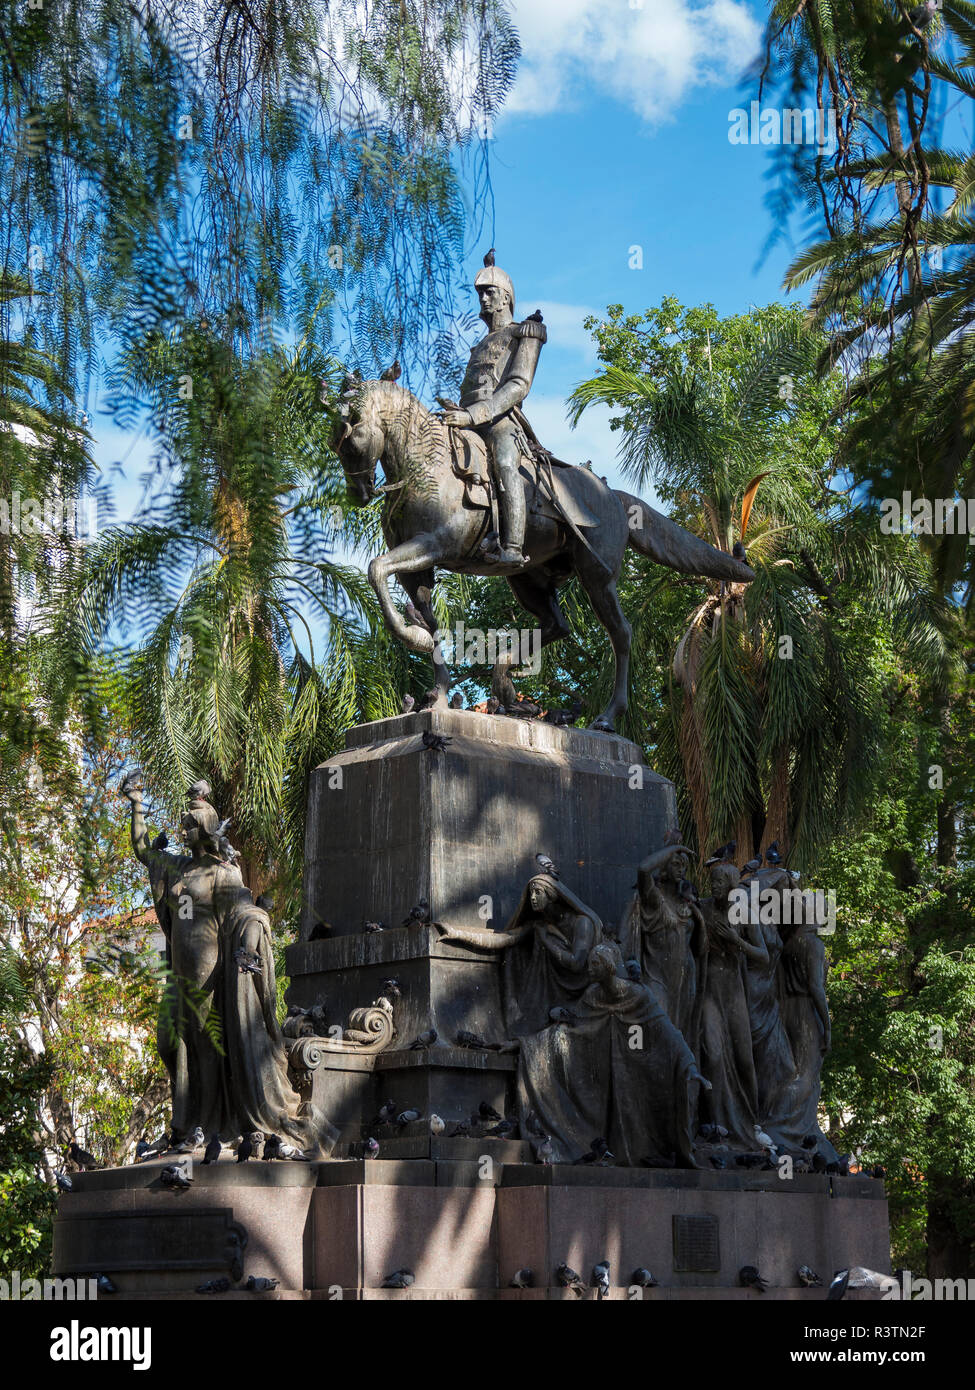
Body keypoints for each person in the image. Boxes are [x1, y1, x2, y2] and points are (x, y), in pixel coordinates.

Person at [120, 771, 334, 1153]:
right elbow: (142, 849)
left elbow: (248, 914)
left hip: (209, 979)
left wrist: (253, 937)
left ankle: (198, 1127)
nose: (184, 830)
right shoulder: (175, 868)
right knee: (169, 1044)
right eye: (183, 823)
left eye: (190, 824)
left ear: (206, 828)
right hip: (179, 979)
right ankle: (191, 1125)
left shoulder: (224, 873)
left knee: (204, 1051)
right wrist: (136, 803)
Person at [516, 941, 709, 1166]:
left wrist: (690, 1067)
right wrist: (529, 1044)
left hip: (635, 1076)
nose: (589, 969)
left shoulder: (639, 995)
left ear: (608, 967)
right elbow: (572, 1029)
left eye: (595, 964)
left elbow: (670, 1034)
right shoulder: (592, 996)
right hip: (602, 1079)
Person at [438, 251, 547, 566]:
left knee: (503, 463)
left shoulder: (525, 332)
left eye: (490, 292)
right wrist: (458, 410)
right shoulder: (479, 345)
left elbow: (517, 386)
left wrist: (472, 414)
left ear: (506, 298)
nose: (483, 299)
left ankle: (512, 547)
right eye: (480, 294)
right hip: (467, 418)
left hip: (502, 420)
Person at [437, 873, 602, 1037]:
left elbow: (577, 963)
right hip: (554, 988)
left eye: (538, 892)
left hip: (581, 987)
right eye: (531, 893)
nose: (533, 898)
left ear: (551, 895)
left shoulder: (582, 922)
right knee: (514, 950)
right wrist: (456, 933)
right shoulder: (539, 925)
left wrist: (546, 940)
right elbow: (504, 939)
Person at [619, 841, 706, 1051]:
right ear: (664, 867)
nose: (682, 869)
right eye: (676, 864)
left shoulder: (686, 904)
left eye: (684, 865)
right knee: (658, 1031)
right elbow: (643, 869)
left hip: (685, 980)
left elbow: (700, 947)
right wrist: (674, 850)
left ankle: (678, 1081)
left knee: (680, 1037)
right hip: (657, 976)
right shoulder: (654, 898)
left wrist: (700, 920)